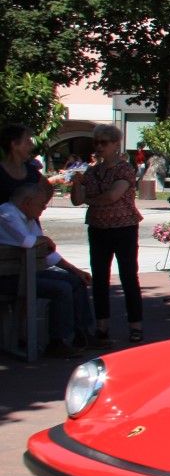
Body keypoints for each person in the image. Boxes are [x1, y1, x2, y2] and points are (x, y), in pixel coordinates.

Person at [0, 183, 93, 357]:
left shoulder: (28, 218)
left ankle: (82, 332)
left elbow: (47, 253)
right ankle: (57, 341)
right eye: (41, 204)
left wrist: (74, 270)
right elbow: (28, 242)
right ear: (27, 202)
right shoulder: (6, 214)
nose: (43, 209)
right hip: (8, 277)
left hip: (26, 273)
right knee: (61, 289)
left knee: (74, 281)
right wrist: (43, 239)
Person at [70, 124, 144, 343]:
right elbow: (77, 200)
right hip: (98, 228)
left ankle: (136, 325)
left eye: (104, 142)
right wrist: (76, 185)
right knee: (100, 278)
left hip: (124, 228)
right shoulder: (92, 172)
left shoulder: (124, 169)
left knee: (128, 276)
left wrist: (89, 200)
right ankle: (101, 327)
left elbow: (113, 195)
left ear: (115, 144)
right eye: (96, 142)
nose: (99, 147)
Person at [0, 124, 45, 205]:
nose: (32, 145)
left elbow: (48, 189)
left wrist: (37, 207)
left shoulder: (32, 171)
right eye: (28, 141)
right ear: (14, 145)